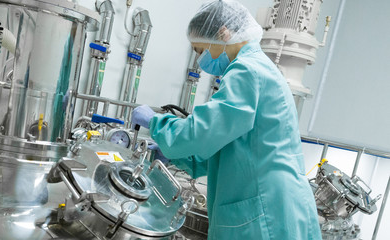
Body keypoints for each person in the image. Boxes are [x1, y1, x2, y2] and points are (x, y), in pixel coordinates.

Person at [132, 0, 322, 239]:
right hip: (272, 200)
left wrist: (157, 123)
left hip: (264, 210)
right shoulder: (256, 68)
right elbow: (230, 150)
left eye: (201, 50)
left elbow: (203, 132)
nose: (201, 61)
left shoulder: (247, 71)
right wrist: (177, 156)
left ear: (223, 33)